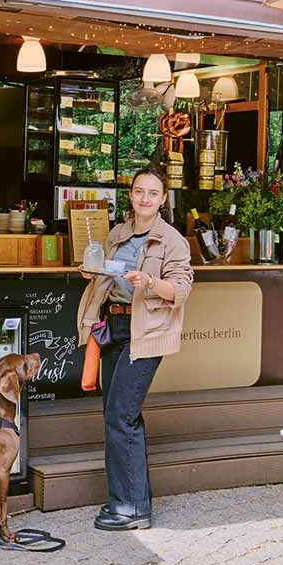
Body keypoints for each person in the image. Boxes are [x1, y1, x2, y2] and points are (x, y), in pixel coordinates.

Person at [76, 167, 193, 531]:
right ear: (130, 195)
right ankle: (135, 504)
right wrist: (91, 271)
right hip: (113, 326)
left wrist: (151, 282)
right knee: (121, 414)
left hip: (145, 332)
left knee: (120, 415)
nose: (144, 198)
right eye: (138, 191)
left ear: (162, 199)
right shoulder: (117, 233)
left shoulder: (171, 240)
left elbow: (182, 288)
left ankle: (128, 506)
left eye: (152, 193)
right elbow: (104, 277)